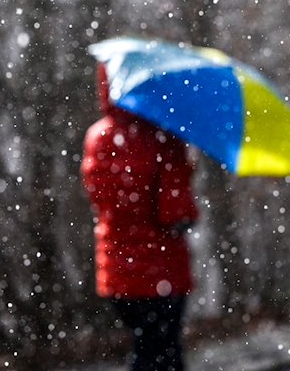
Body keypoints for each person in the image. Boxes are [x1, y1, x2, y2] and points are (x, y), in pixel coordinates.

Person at [81, 64, 199, 371]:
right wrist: (184, 166)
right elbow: (176, 214)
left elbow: (102, 200)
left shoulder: (97, 137)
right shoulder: (162, 137)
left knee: (144, 346)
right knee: (166, 352)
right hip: (161, 271)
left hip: (118, 273)